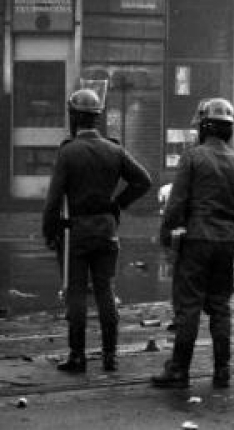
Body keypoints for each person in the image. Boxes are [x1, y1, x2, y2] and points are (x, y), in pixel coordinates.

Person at [151, 98, 234, 389]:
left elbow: (176, 205)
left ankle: (179, 370)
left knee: (188, 308)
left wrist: (165, 237)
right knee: (220, 307)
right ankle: (222, 371)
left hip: (195, 241)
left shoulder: (192, 158)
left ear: (203, 127)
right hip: (226, 244)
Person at [42, 88, 152, 373]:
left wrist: (49, 231)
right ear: (97, 118)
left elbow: (53, 200)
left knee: (76, 293)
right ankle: (110, 356)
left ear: (74, 117)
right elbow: (143, 181)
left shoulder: (68, 152)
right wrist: (117, 204)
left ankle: (77, 356)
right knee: (105, 290)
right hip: (106, 230)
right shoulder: (114, 150)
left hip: (76, 232)